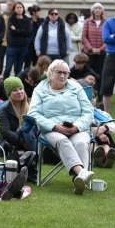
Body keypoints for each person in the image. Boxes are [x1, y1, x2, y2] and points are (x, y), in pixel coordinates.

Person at [28, 59, 95, 195]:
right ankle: (81, 173)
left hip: (76, 127)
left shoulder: (76, 87)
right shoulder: (40, 90)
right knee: (62, 141)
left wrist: (76, 127)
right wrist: (55, 127)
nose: (63, 76)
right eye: (59, 72)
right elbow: (33, 113)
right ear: (50, 74)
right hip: (51, 129)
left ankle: (79, 180)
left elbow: (88, 111)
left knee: (82, 143)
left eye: (66, 73)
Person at [81, 2, 106, 93]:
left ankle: (100, 93)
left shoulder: (106, 22)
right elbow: (84, 36)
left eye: (99, 8)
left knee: (101, 73)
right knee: (90, 72)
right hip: (89, 52)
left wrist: (101, 48)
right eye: (96, 8)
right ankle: (90, 91)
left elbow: (108, 37)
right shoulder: (87, 22)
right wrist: (91, 48)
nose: (98, 10)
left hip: (102, 53)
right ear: (93, 10)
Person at [4, 2, 32, 78]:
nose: (19, 9)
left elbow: (28, 32)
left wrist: (17, 30)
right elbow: (12, 31)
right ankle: (4, 82)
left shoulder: (27, 20)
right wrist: (22, 31)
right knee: (8, 67)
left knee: (19, 69)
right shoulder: (11, 19)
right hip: (12, 46)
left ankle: (16, 82)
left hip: (23, 46)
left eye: (21, 7)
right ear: (14, 9)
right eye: (17, 8)